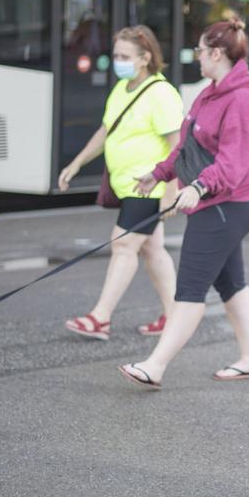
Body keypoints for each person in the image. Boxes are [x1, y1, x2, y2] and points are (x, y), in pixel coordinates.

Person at [118, 19, 249, 388]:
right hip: (218, 204)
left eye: (199, 50)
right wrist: (159, 173)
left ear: (217, 53)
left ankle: (155, 365)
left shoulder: (242, 100)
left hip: (225, 206)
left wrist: (198, 188)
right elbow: (188, 147)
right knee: (231, 283)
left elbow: (233, 163)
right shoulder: (210, 92)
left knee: (189, 290)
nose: (195, 56)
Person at [58, 26, 182, 340]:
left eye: (125, 56)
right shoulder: (122, 88)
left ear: (145, 58)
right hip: (127, 186)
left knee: (124, 244)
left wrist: (170, 191)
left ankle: (100, 318)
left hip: (148, 186)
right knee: (153, 251)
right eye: (115, 55)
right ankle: (174, 317)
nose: (118, 61)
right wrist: (77, 162)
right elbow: (105, 132)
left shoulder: (161, 93)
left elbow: (176, 145)